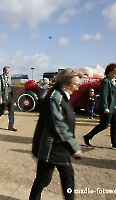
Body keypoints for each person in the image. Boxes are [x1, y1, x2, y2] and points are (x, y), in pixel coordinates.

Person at [29, 68, 83, 200]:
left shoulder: (63, 96)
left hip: (61, 146)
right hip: (51, 147)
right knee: (44, 179)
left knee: (67, 177)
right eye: (75, 84)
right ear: (64, 83)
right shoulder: (55, 97)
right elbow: (57, 124)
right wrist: (74, 146)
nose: (77, 88)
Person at [83, 63, 116, 150]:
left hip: (114, 106)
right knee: (104, 125)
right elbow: (104, 95)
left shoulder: (113, 81)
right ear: (110, 71)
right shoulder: (105, 81)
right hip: (107, 107)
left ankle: (115, 143)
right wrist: (105, 107)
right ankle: (87, 137)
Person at [0, 66, 17, 131]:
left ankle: (11, 126)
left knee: (11, 111)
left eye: (9, 71)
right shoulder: (1, 77)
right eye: (7, 70)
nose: (8, 72)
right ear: (4, 71)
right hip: (4, 97)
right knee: (1, 111)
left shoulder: (8, 78)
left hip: (10, 96)